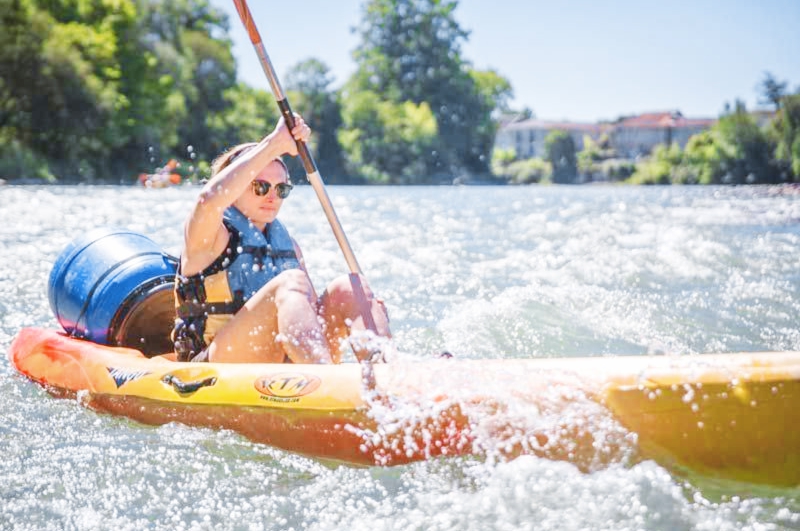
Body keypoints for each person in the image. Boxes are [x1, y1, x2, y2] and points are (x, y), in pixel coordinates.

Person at [172, 114, 391, 364]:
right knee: (291, 282)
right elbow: (208, 199)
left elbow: (310, 315)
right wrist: (275, 144)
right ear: (236, 187)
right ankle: (323, 380)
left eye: (281, 189)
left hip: (282, 359)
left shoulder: (289, 246)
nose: (272, 197)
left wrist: (363, 307)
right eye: (261, 187)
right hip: (215, 362)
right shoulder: (209, 235)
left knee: (351, 286)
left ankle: (385, 372)